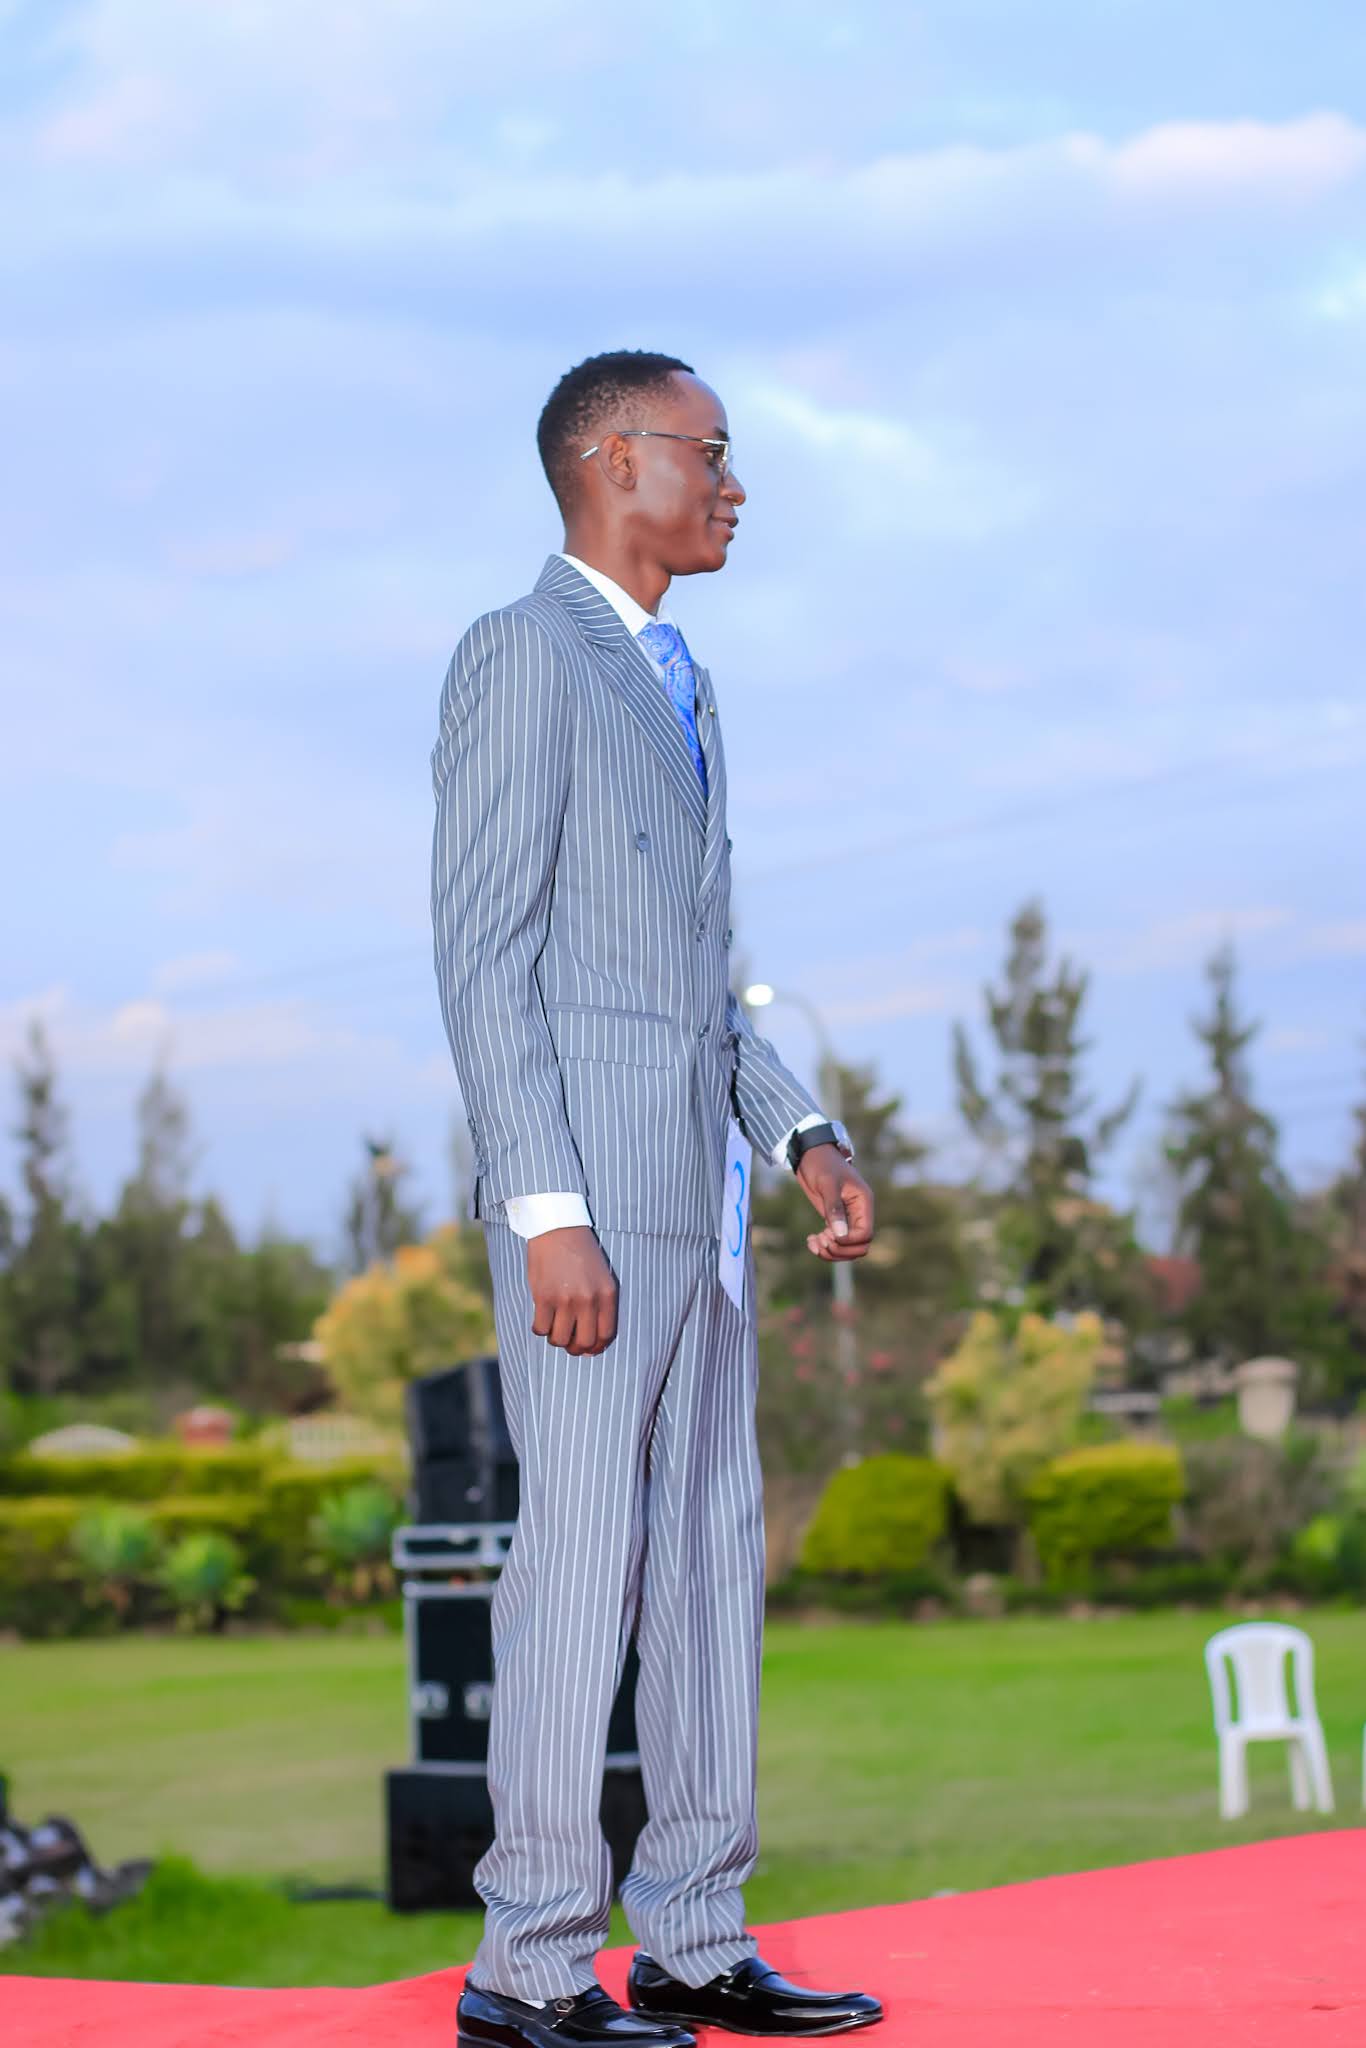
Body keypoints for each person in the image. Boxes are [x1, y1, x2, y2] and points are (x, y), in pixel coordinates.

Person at [431, 350, 883, 2048]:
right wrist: (543, 1207)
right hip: (591, 1212)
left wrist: (801, 1131)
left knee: (704, 1565)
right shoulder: (519, 654)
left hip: (707, 1206)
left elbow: (697, 986)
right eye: (713, 453)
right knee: (582, 1568)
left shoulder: (682, 680)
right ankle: (528, 1965)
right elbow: (485, 958)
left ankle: (692, 1937)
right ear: (614, 458)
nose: (734, 486)